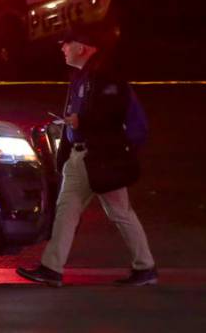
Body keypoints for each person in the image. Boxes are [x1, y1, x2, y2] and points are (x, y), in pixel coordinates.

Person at [17, 22, 157, 287]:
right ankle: (52, 268)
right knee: (70, 211)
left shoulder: (104, 76)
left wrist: (81, 122)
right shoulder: (87, 75)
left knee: (117, 213)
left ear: (81, 47)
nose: (63, 48)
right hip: (84, 158)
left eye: (66, 43)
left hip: (100, 159)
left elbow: (110, 114)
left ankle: (145, 267)